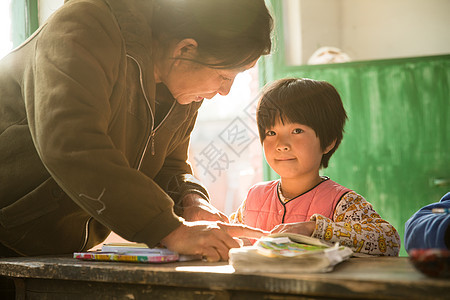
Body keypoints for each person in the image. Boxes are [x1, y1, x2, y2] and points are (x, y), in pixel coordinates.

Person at [0, 0, 273, 262]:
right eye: (225, 76)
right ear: (186, 50)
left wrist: (190, 201)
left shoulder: (180, 85)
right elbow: (72, 146)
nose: (225, 91)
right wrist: (169, 229)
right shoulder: (84, 26)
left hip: (53, 249)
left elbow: (170, 164)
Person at [230, 78, 401, 256]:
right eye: (271, 133)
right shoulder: (254, 197)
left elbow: (389, 241)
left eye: (296, 131)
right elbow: (231, 237)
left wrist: (314, 228)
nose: (281, 144)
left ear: (328, 142)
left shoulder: (343, 202)